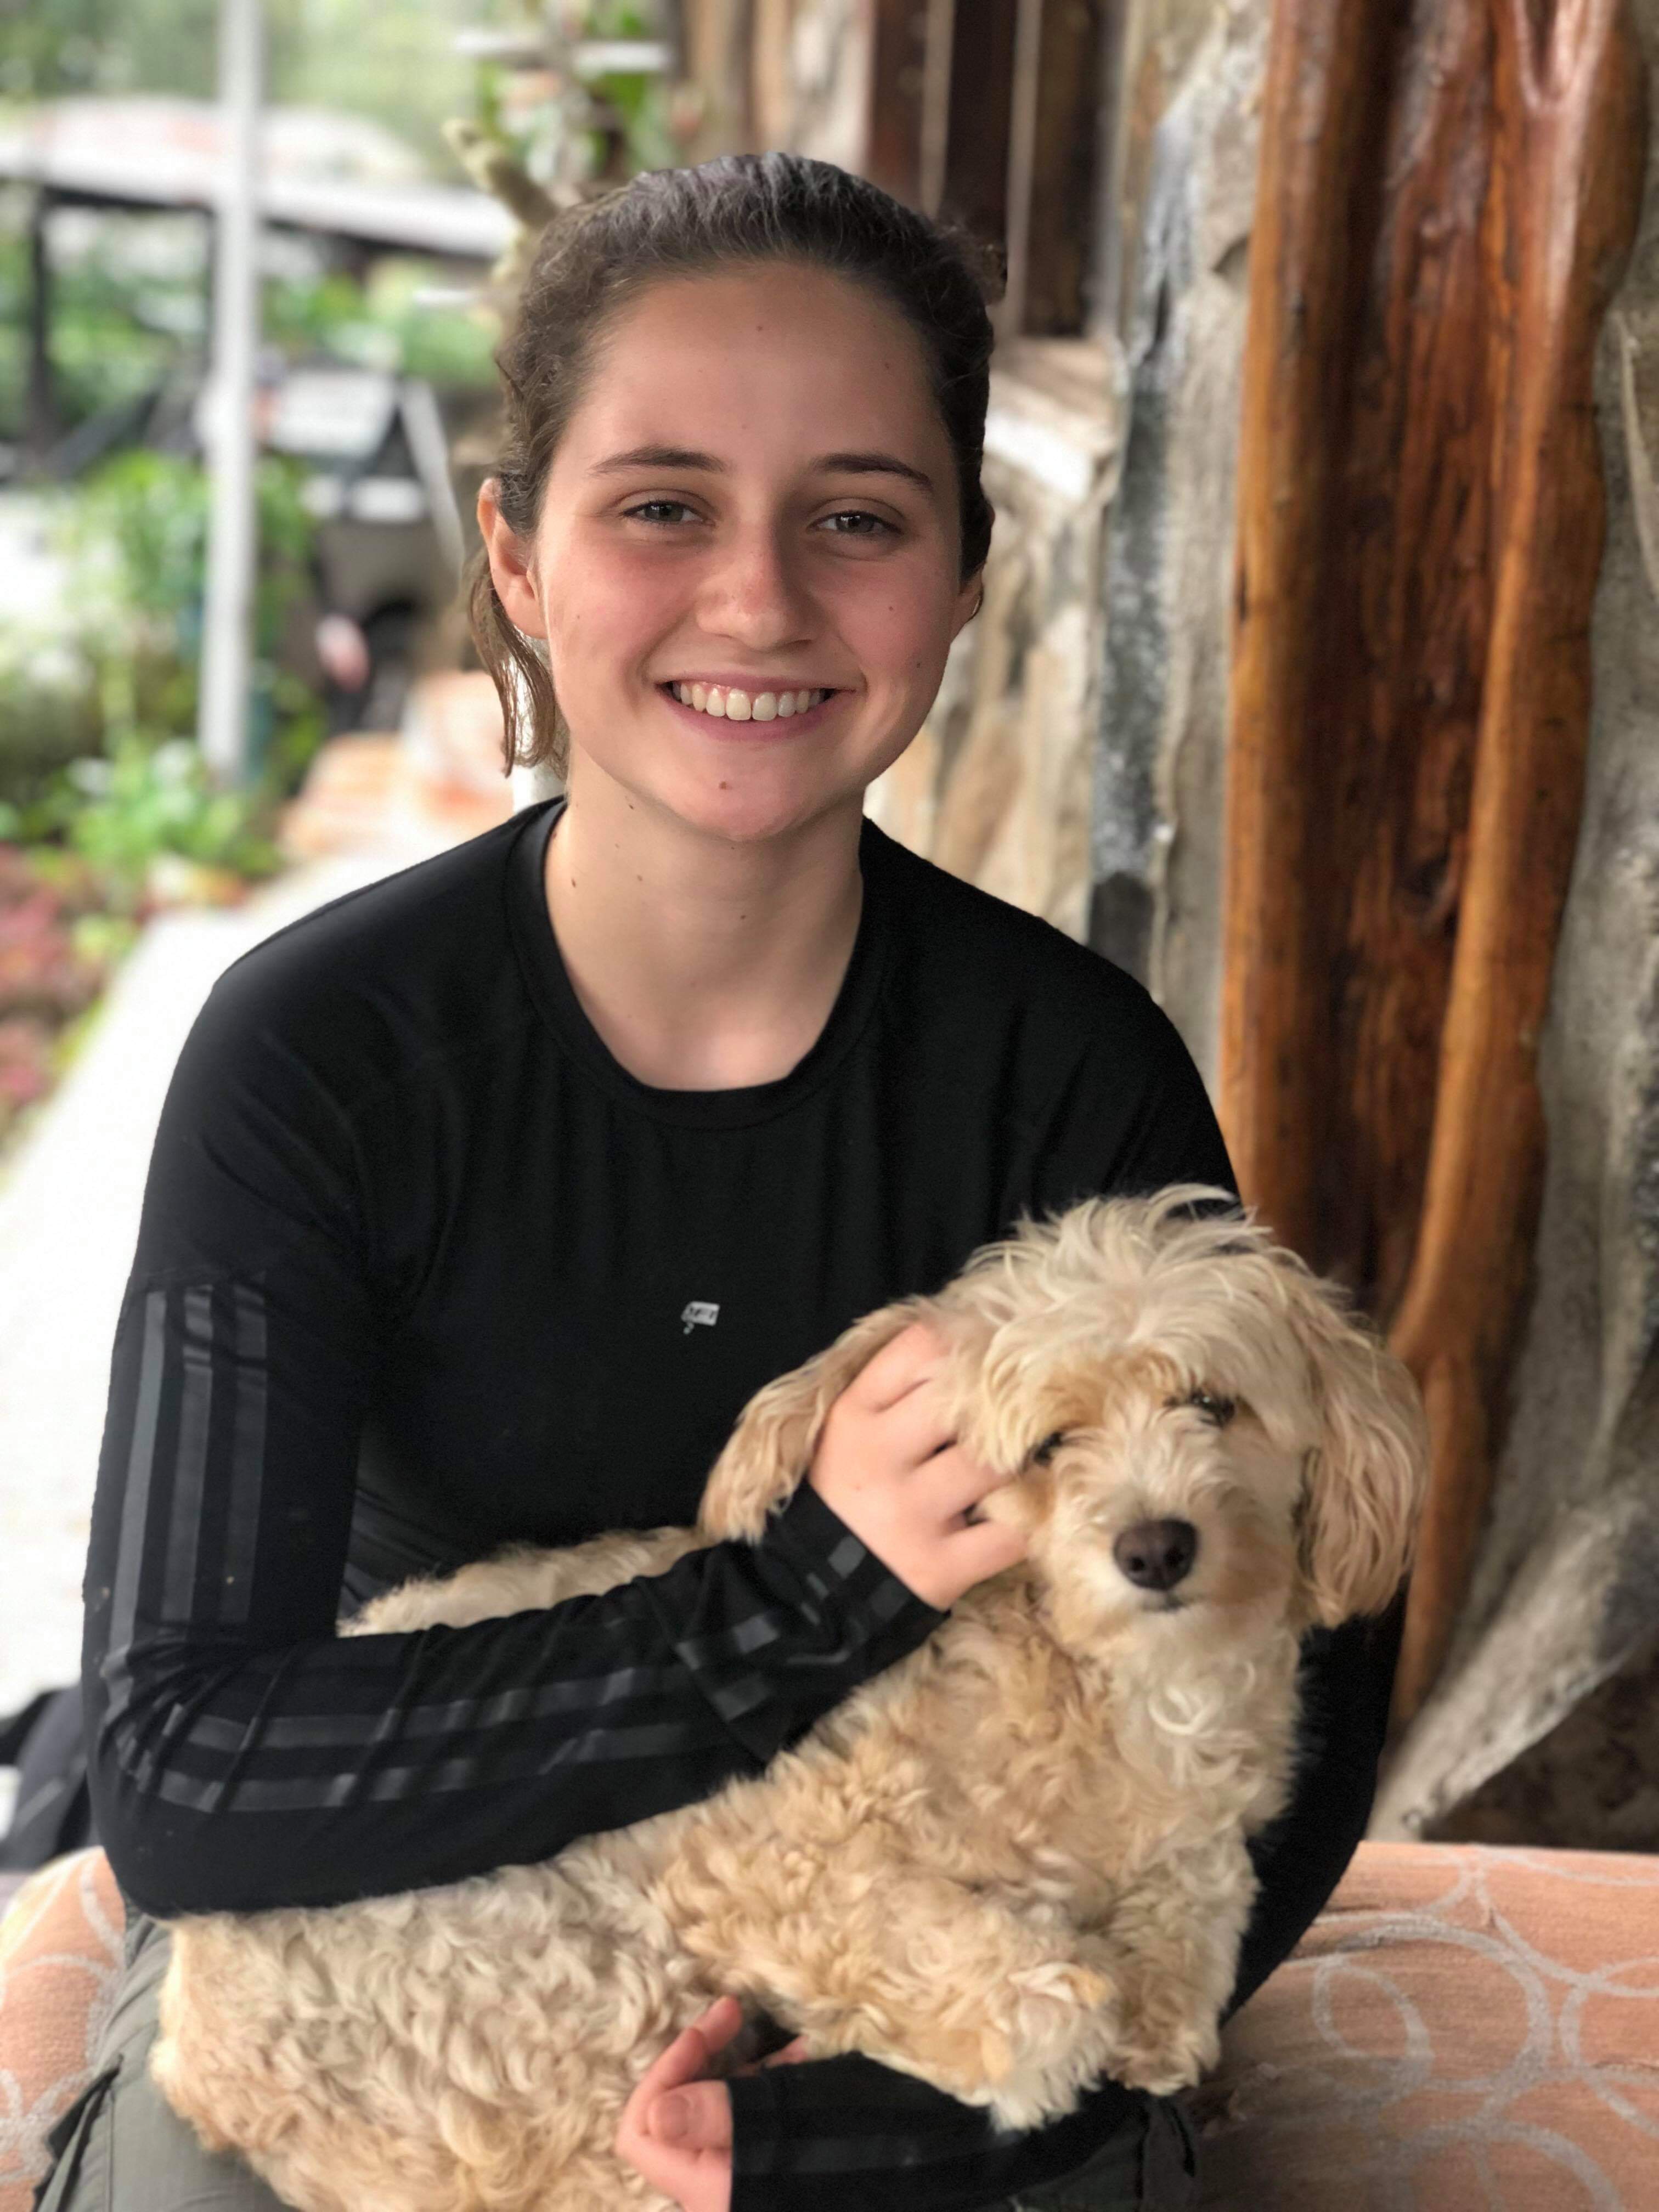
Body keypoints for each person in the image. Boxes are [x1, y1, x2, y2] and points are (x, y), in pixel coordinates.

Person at [42, 153, 1401, 2212]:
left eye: (858, 518)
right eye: (662, 506)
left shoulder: (1066, 1068)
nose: (759, 600)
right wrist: (798, 1599)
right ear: (517, 556)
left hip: (944, 1961)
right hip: (387, 1931)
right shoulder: (318, 1054)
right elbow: (184, 1776)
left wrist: (862, 2133)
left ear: (965, 576)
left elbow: (1290, 1687)